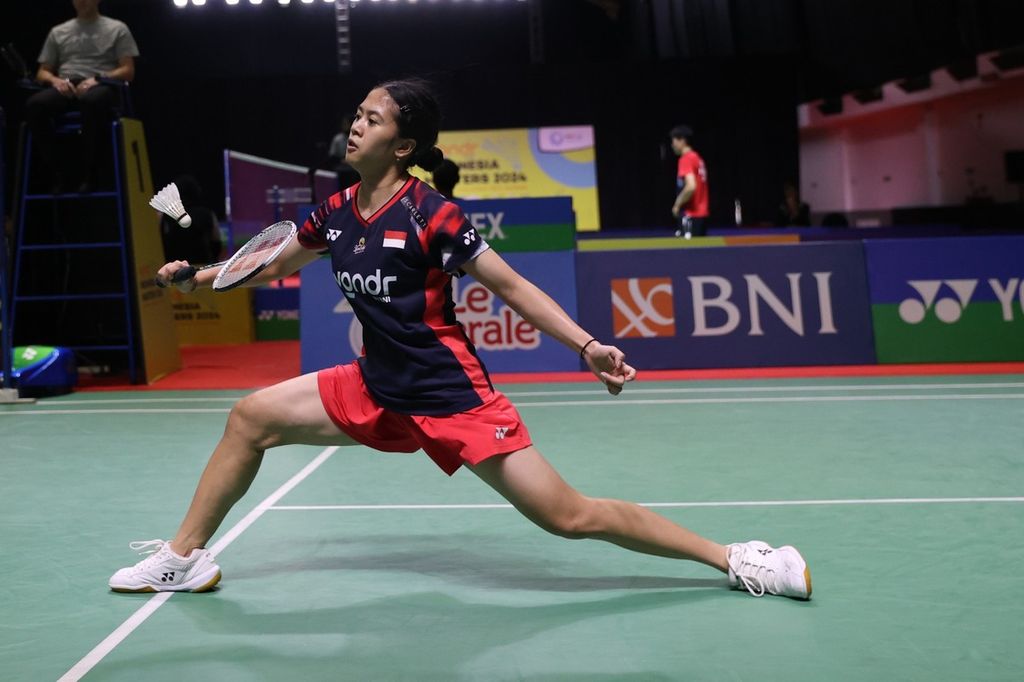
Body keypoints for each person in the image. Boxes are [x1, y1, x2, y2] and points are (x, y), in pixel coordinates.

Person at [110, 79, 811, 600]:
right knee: (250, 417)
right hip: (376, 386)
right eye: (356, 115)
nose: (355, 126)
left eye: (372, 119)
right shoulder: (337, 211)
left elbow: (511, 286)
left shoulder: (431, 213)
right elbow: (273, 263)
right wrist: (202, 276)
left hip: (450, 397)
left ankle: (735, 557)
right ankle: (185, 555)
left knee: (568, 517)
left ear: (405, 145)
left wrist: (587, 345)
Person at [26, 0, 139, 194]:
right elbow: (42, 72)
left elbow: (128, 71)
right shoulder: (58, 31)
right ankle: (59, 171)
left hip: (102, 84)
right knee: (35, 105)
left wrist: (98, 78)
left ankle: (90, 173)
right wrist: (56, 82)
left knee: (91, 102)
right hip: (67, 84)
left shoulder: (117, 28)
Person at [159, 175, 222, 265]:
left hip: (174, 269)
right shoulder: (207, 213)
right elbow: (216, 243)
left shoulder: (165, 215)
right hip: (202, 267)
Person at [669, 124, 709, 239]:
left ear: (682, 141)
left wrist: (677, 205)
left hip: (691, 217)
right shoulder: (697, 158)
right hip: (702, 216)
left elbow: (691, 186)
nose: (672, 145)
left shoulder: (686, 159)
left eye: (674, 141)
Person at [327, 115, 360, 192]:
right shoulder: (338, 139)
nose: (344, 126)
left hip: (354, 171)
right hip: (340, 171)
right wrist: (342, 161)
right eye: (343, 124)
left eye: (346, 124)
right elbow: (332, 157)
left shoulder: (358, 138)